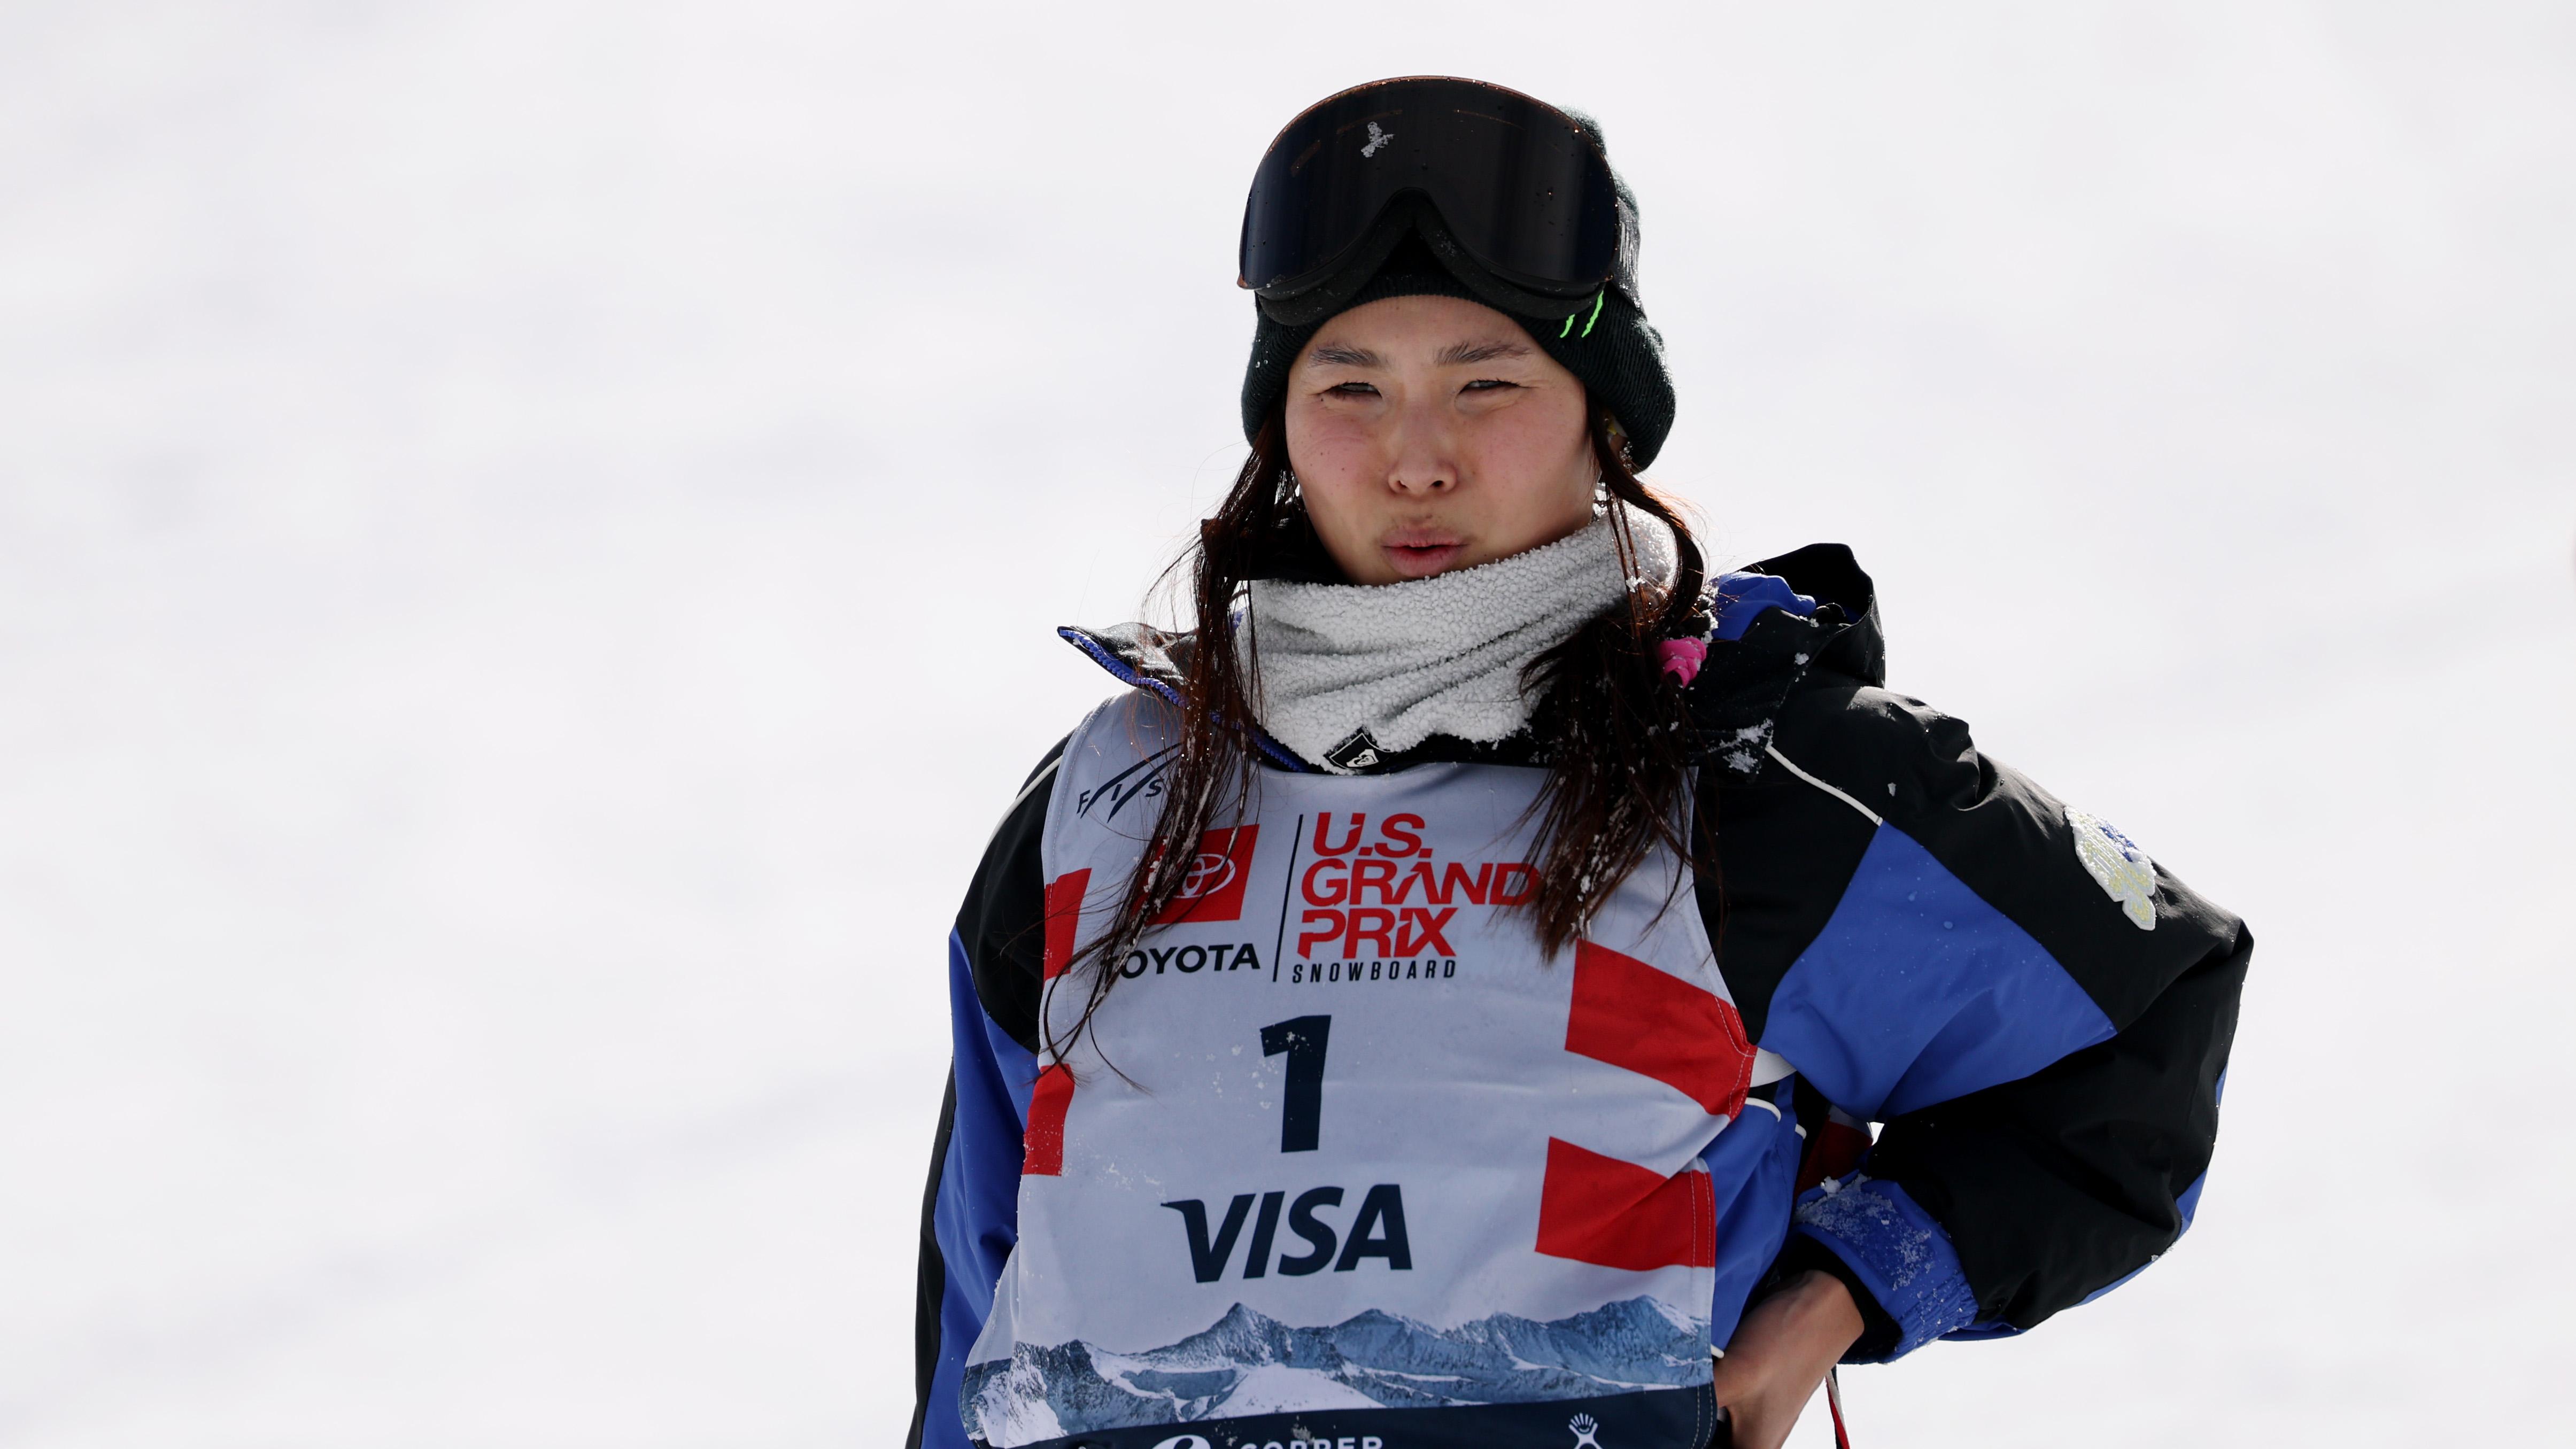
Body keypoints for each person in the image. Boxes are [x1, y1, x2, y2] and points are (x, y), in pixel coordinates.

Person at [908, 77, 2249, 1449]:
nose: (1413, 457)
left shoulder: (1742, 773)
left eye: (1485, 384)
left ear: (1604, 418)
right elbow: (985, 1292)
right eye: (1348, 386)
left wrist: (1834, 1301)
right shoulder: (1108, 798)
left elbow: (2138, 1032)